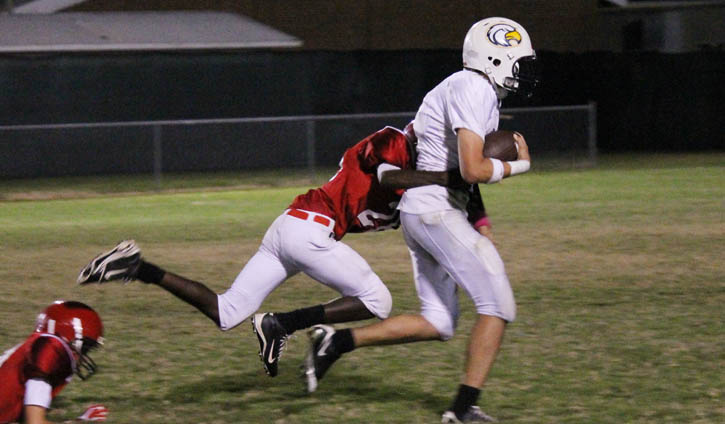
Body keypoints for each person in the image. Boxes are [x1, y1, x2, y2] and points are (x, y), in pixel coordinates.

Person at [76, 124, 490, 378]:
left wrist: (475, 210)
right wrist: (449, 175)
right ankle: (281, 324)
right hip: (310, 229)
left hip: (294, 229)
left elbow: (449, 199)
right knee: (378, 300)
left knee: (227, 312)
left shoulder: (421, 185)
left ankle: (138, 267)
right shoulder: (393, 140)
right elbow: (389, 176)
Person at [302, 17, 537, 423]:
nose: (523, 71)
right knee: (497, 305)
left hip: (426, 212)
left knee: (439, 321)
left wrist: (480, 222)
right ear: (495, 59)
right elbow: (472, 169)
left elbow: (461, 172)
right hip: (435, 211)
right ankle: (462, 412)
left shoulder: (468, 88)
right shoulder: (474, 88)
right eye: (518, 61)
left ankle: (335, 343)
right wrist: (521, 165)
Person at [0, 300, 108, 423]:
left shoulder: (35, 347)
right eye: (84, 349)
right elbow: (35, 422)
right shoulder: (49, 352)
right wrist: (80, 421)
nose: (83, 356)